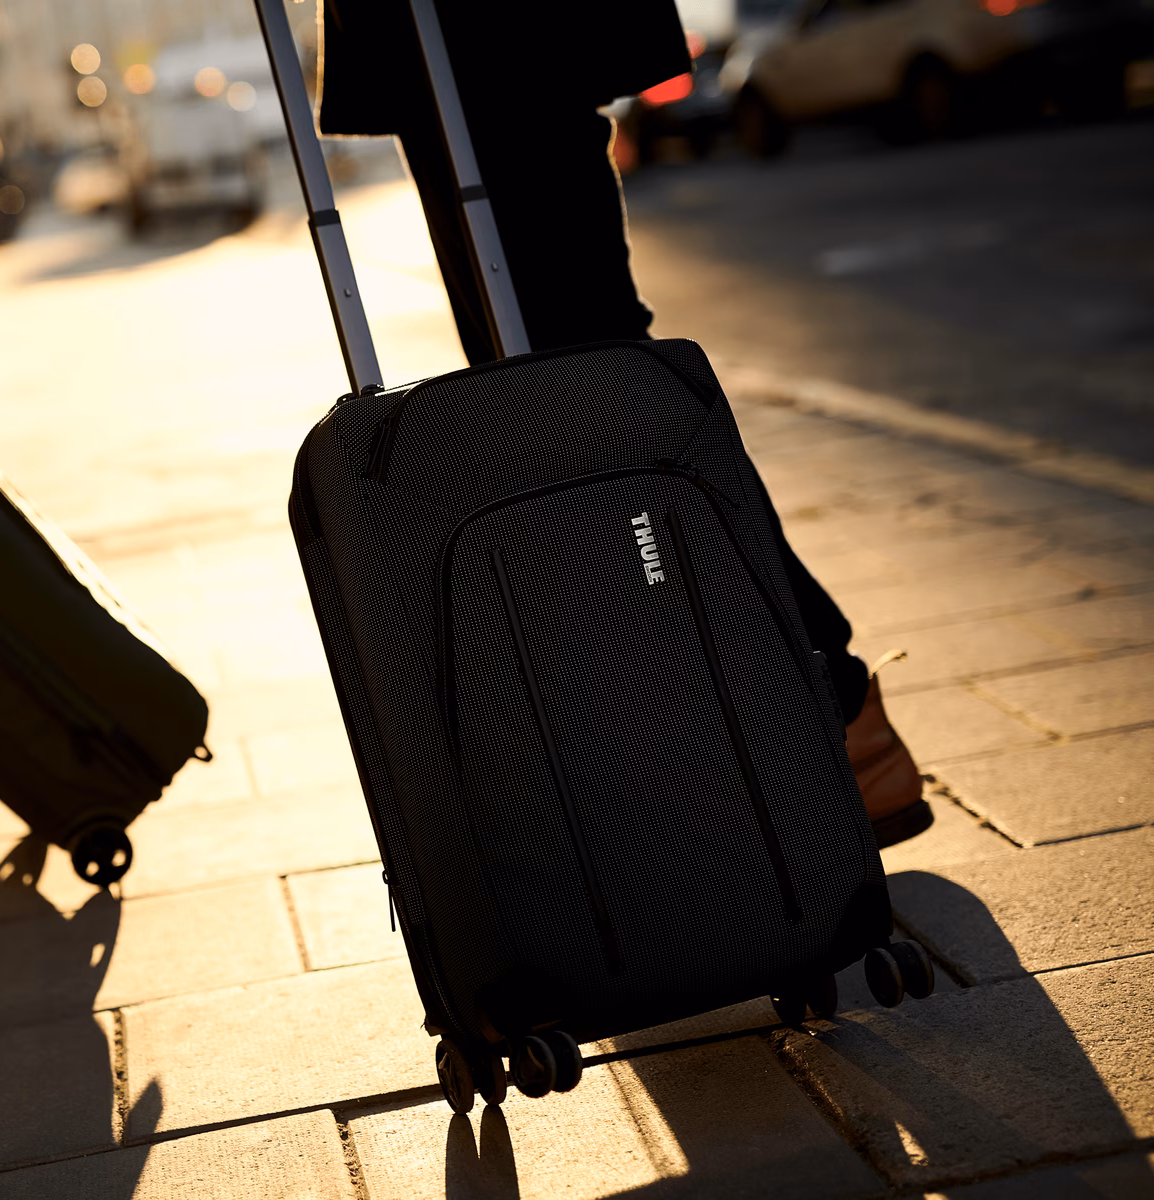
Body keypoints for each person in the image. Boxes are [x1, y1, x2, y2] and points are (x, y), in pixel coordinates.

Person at [316, 0, 931, 847]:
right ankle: (733, 724)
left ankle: (834, 704)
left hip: (498, 30)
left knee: (592, 371)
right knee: (528, 389)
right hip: (429, 39)